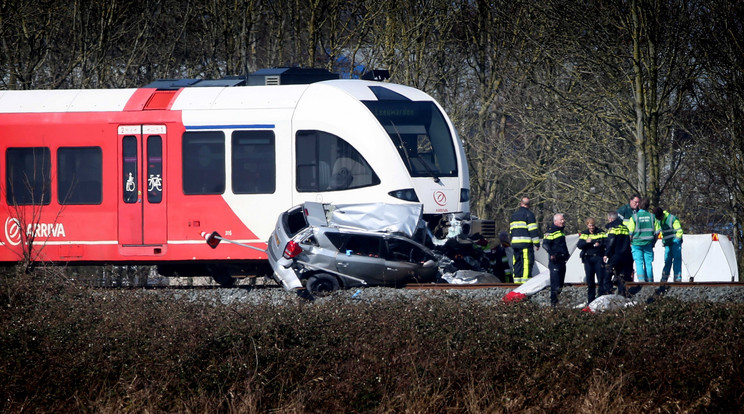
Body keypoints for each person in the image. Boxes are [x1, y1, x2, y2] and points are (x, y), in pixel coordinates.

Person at [626, 198, 659, 282]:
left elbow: (630, 232)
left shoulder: (634, 217)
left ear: (639, 205)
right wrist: (653, 242)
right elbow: (657, 232)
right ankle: (650, 282)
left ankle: (641, 281)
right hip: (648, 243)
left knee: (639, 263)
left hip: (636, 244)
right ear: (648, 206)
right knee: (648, 264)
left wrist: (629, 243)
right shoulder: (652, 217)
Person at [509, 197, 540, 284]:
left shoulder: (514, 215)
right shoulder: (529, 215)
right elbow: (533, 230)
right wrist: (537, 243)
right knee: (527, 262)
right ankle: (526, 282)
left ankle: (516, 282)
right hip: (525, 244)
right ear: (529, 205)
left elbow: (511, 231)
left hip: (515, 243)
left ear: (520, 203)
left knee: (517, 262)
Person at [577, 217, 608, 303]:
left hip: (598, 257)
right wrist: (586, 242)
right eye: (590, 225)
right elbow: (579, 245)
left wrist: (599, 244)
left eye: (593, 225)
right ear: (587, 225)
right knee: (590, 281)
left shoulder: (601, 232)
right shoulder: (584, 234)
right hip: (588, 259)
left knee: (601, 279)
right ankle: (590, 301)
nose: (591, 227)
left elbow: (606, 243)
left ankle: (601, 299)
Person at [604, 211, 634, 297]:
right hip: (626, 255)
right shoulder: (625, 228)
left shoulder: (613, 229)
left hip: (616, 255)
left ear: (610, 219)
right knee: (621, 276)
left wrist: (606, 254)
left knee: (607, 272)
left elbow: (610, 243)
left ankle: (608, 292)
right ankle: (622, 294)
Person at [542, 213, 569, 306]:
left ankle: (558, 303)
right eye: (561, 220)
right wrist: (552, 253)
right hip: (555, 261)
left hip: (562, 260)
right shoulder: (551, 231)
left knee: (561, 284)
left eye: (563, 219)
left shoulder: (561, 231)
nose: (563, 221)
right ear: (555, 221)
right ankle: (553, 304)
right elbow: (545, 244)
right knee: (555, 285)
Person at [653, 206, 684, 282]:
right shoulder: (659, 220)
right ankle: (664, 279)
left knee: (676, 260)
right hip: (667, 243)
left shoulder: (672, 219)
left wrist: (676, 240)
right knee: (667, 261)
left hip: (675, 243)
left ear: (662, 215)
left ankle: (677, 279)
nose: (658, 220)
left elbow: (679, 231)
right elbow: (657, 231)